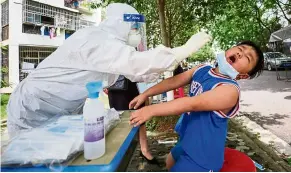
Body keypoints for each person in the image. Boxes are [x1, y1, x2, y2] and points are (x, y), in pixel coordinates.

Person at [7, 3, 211, 138]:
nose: (136, 33)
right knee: (32, 159)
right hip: (33, 107)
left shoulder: (111, 44)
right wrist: (182, 50)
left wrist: (171, 60)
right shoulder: (96, 39)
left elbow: (138, 73)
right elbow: (136, 64)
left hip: (62, 107)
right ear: (120, 24)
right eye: (133, 28)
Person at [128, 41, 264, 171]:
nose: (241, 54)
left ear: (244, 76)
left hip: (204, 155)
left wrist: (151, 110)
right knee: (170, 162)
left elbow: (191, 104)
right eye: (240, 49)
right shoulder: (202, 69)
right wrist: (146, 94)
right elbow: (174, 81)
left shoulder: (230, 90)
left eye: (248, 57)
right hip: (187, 139)